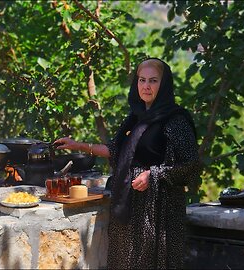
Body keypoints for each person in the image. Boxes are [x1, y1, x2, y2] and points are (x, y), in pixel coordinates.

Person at [54, 58, 201, 269]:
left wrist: (153, 175)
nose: (146, 86)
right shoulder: (135, 117)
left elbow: (191, 166)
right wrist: (77, 145)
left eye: (153, 80)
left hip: (159, 211)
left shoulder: (175, 120)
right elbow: (117, 151)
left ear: (164, 84)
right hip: (128, 204)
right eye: (142, 80)